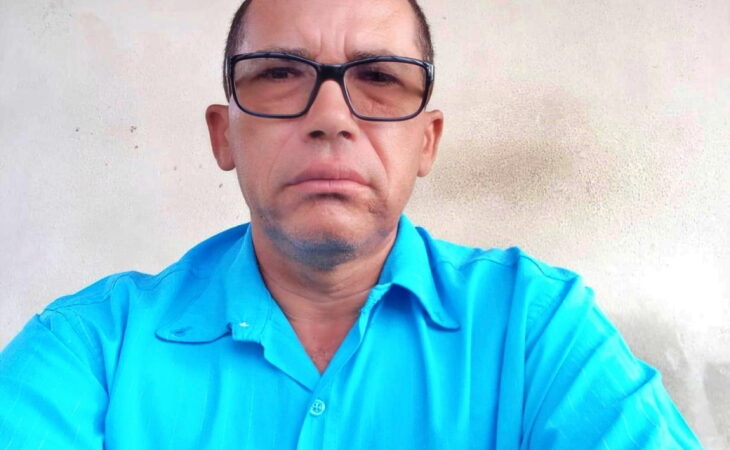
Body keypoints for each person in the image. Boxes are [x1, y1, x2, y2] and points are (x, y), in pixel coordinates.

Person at [0, 0, 703, 448]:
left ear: (427, 141)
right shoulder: (89, 351)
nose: (331, 117)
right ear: (223, 135)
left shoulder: (535, 328)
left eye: (381, 78)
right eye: (279, 74)